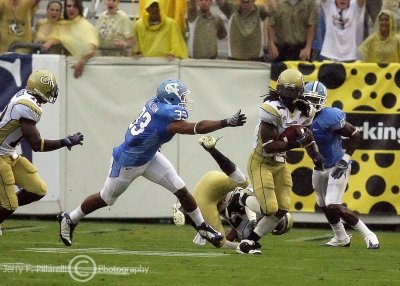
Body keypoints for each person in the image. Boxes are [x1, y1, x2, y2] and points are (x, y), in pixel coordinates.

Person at [57, 79, 247, 247]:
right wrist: (225, 122)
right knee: (106, 198)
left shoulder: (156, 103)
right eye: (181, 97)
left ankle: (202, 227)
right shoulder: (168, 115)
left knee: (180, 189)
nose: (184, 100)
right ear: (171, 99)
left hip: (149, 156)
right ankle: (70, 218)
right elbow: (196, 128)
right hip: (127, 163)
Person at [229, 69, 324, 251]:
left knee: (282, 209)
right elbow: (269, 146)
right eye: (285, 90)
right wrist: (296, 143)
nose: (288, 95)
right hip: (261, 161)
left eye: (292, 91)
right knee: (268, 208)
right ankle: (240, 196)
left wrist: (315, 156)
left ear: (300, 92)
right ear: (279, 89)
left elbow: (307, 134)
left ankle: (249, 241)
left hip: (280, 163)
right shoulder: (272, 108)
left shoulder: (305, 110)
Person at [172, 135, 293, 254]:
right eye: (279, 223)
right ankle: (211, 149)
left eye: (277, 228)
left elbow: (228, 237)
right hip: (215, 188)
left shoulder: (249, 232)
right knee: (244, 183)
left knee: (219, 241)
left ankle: (186, 209)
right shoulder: (263, 206)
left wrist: (242, 242)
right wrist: (251, 220)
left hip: (208, 202)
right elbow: (252, 202)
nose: (275, 226)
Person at [0, 70, 84, 230]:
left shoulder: (26, 95)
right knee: (10, 205)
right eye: (50, 90)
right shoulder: (27, 106)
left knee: (37, 190)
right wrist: (65, 142)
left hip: (8, 154)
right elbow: (37, 145)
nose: (52, 93)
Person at [302, 80, 380, 249]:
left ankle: (369, 234)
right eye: (309, 99)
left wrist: (345, 160)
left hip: (337, 165)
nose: (312, 104)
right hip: (319, 167)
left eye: (316, 100)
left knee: (333, 204)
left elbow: (355, 134)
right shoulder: (298, 116)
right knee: (323, 204)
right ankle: (341, 237)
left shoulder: (330, 117)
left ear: (323, 101)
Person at [46, 0, 99, 78]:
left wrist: (82, 61)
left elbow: (92, 48)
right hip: (64, 69)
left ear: (79, 8)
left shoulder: (85, 25)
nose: (71, 9)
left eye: (75, 6)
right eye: (69, 6)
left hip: (84, 70)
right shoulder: (64, 24)